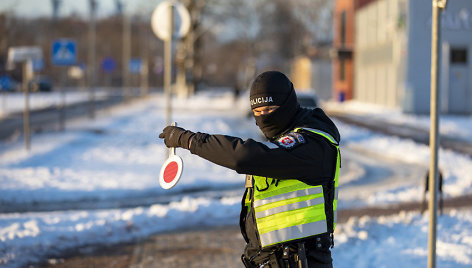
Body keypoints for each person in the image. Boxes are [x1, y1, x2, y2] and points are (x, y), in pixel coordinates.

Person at [159, 71, 341, 268]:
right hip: (274, 260)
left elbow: (244, 156)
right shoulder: (283, 139)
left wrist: (190, 140)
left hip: (303, 260)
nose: (264, 117)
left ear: (288, 104)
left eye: (270, 109)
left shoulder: (311, 143)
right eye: (257, 111)